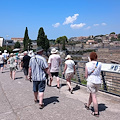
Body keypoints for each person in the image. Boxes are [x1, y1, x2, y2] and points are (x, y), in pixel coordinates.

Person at [84, 52, 102, 117]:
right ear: (96, 57)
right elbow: (99, 72)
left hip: (91, 81)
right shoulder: (99, 64)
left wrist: (86, 77)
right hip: (98, 81)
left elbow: (86, 75)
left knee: (94, 96)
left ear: (90, 57)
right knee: (92, 94)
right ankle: (87, 105)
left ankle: (96, 112)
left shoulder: (87, 64)